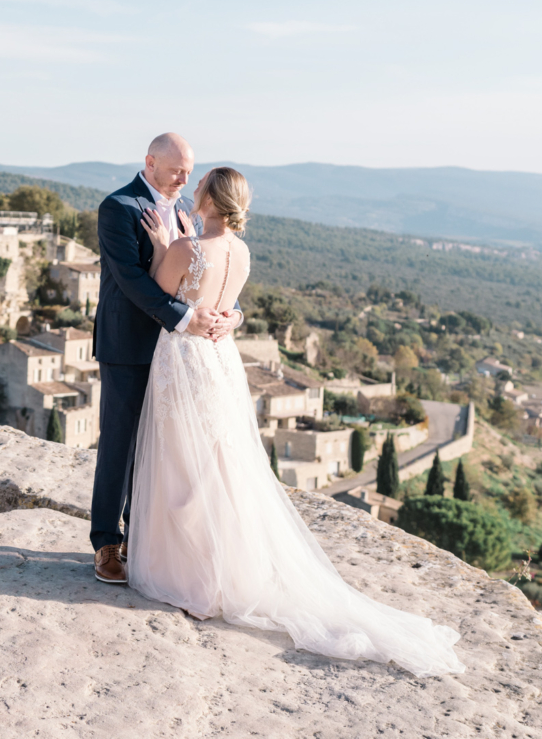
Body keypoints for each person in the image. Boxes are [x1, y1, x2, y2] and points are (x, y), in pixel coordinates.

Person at [123, 166, 465, 677]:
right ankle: (222, 569)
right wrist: (223, 306)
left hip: (185, 361)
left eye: (199, 187)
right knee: (221, 464)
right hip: (221, 362)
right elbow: (226, 304)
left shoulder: (186, 249)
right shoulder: (241, 252)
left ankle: (193, 577)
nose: (192, 190)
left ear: (213, 200)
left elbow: (156, 296)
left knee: (183, 465)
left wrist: (159, 244)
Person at [89, 133, 239, 586]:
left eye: (190, 171)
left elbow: (208, 272)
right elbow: (133, 280)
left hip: (177, 354)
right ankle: (105, 543)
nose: (184, 178)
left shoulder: (190, 214)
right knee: (120, 443)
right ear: (150, 162)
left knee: (162, 448)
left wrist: (231, 315)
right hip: (130, 345)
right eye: (176, 170)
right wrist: (186, 318)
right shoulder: (118, 207)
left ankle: (144, 538)